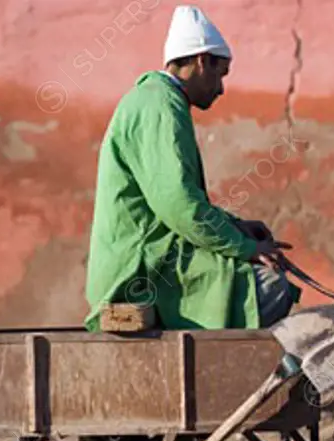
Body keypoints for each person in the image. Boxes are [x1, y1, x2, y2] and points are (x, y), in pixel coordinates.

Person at [83, 4, 300, 332]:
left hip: (160, 257)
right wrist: (245, 248)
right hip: (142, 270)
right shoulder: (161, 105)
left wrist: (236, 227)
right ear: (202, 61)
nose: (221, 88)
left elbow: (177, 202)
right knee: (269, 288)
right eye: (220, 73)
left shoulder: (155, 99)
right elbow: (180, 205)